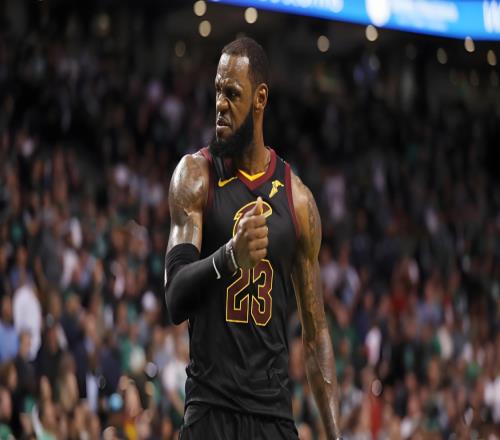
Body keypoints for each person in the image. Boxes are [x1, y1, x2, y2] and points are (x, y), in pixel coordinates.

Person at [164, 37, 342, 439]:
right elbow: (174, 298)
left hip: (272, 417)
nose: (220, 105)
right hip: (210, 411)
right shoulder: (195, 176)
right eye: (217, 91)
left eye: (232, 94)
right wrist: (230, 256)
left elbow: (316, 336)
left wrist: (335, 436)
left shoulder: (298, 201)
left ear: (260, 99)